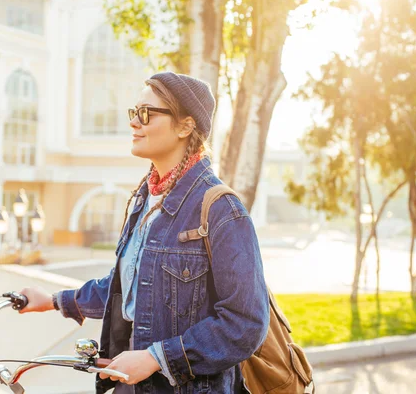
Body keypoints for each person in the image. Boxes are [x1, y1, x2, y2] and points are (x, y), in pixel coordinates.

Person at [19, 71, 270, 393]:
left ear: (185, 126)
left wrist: (155, 358)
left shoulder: (221, 210)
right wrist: (54, 301)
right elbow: (130, 286)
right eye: (134, 113)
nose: (134, 123)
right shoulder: (144, 198)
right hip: (132, 384)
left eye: (146, 113)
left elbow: (246, 325)